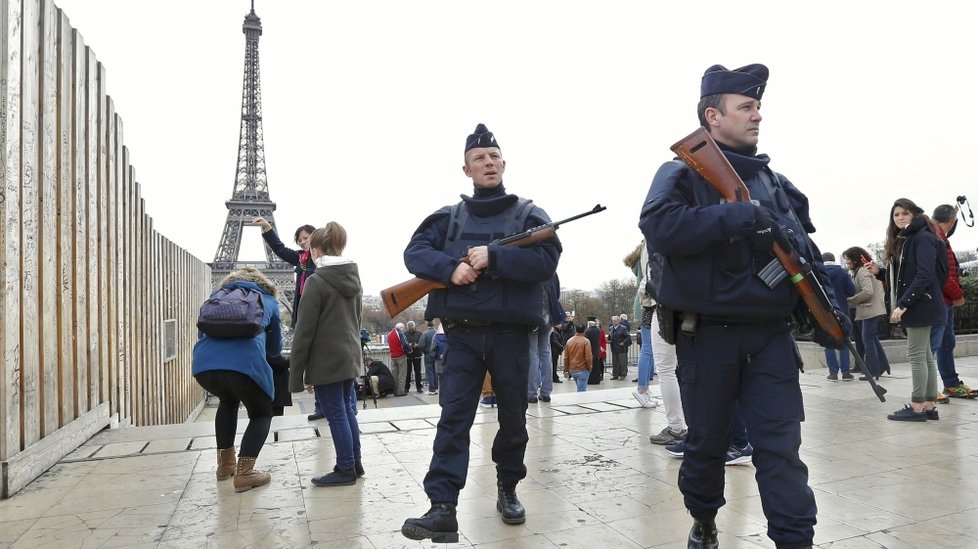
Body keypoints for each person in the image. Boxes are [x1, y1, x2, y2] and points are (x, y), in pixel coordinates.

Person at [641, 63, 846, 548]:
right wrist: (734, 216)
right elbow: (660, 225)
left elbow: (806, 255)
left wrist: (829, 310)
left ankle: (795, 539)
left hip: (770, 338)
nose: (757, 115)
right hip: (706, 336)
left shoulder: (775, 182)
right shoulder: (680, 173)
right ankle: (705, 520)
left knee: (781, 452)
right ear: (712, 116)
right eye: (746, 106)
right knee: (707, 446)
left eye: (758, 107)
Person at [400, 123, 561, 543]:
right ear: (466, 170)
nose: (487, 163)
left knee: (513, 418)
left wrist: (496, 257)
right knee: (453, 419)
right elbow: (414, 252)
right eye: (479, 159)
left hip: (511, 336)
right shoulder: (448, 218)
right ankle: (442, 506)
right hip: (463, 335)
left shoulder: (529, 215)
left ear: (503, 163)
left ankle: (507, 488)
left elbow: (546, 260)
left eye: (493, 156)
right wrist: (450, 268)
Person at [191, 266, 282, 492]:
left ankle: (225, 465)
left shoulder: (217, 297)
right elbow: (274, 348)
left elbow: (202, 333)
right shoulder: (268, 300)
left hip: (205, 367)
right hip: (244, 367)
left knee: (227, 401)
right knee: (261, 413)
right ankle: (245, 473)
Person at [288, 222, 364, 486]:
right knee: (347, 411)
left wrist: (297, 375)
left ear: (317, 252)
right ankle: (354, 462)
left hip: (327, 360)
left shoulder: (316, 282)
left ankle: (345, 468)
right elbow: (357, 320)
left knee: (336, 414)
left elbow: (303, 333)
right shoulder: (353, 277)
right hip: (349, 356)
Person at [866, 198, 947, 422]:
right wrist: (880, 272)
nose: (900, 217)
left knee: (917, 355)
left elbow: (924, 275)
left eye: (905, 213)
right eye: (896, 214)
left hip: (921, 305)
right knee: (926, 356)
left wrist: (903, 304)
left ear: (914, 214)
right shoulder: (912, 238)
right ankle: (929, 405)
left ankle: (917, 407)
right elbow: (906, 276)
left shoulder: (920, 238)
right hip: (926, 304)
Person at [252, 216, 326, 421]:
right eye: (299, 239)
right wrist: (267, 229)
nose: (302, 242)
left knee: (319, 361)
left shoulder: (322, 261)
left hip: (318, 317)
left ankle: (327, 405)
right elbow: (280, 250)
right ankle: (321, 405)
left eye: (305, 238)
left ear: (316, 237)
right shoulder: (301, 260)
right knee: (314, 361)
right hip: (305, 316)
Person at [931, 204, 971, 398]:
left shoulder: (938, 235)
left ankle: (951, 384)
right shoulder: (937, 238)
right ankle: (929, 388)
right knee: (932, 345)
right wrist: (957, 295)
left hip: (943, 299)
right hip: (940, 300)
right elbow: (943, 274)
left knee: (946, 342)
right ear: (953, 221)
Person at [842, 247, 891, 381]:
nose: (847, 262)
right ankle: (882, 366)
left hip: (870, 310)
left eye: (848, 259)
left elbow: (868, 292)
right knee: (872, 339)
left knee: (867, 340)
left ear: (855, 258)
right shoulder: (865, 269)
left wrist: (850, 300)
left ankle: (873, 371)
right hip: (873, 309)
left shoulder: (863, 271)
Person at [528, 275, 564, 403]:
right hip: (550, 315)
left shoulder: (528, 266)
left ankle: (531, 392)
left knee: (532, 353)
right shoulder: (550, 269)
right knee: (545, 352)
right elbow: (557, 293)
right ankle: (546, 391)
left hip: (533, 315)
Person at [821, 252, 855, 381]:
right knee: (844, 341)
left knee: (829, 343)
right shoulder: (842, 272)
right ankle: (846, 373)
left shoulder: (818, 272)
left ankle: (833, 373)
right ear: (834, 260)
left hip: (825, 312)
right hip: (842, 311)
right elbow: (851, 290)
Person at [563, 324, 592, 391]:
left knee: (579, 388)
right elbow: (588, 357)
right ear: (584, 330)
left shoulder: (569, 341)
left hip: (572, 368)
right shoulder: (586, 341)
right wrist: (589, 367)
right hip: (583, 368)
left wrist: (566, 369)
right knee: (581, 391)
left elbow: (566, 357)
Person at [387, 323, 411, 396]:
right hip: (400, 356)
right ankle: (400, 392)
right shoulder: (400, 333)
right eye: (403, 328)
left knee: (395, 374)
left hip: (393, 356)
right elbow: (405, 344)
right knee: (402, 374)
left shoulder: (389, 334)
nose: (403, 330)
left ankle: (394, 390)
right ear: (401, 328)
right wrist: (410, 349)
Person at [417, 320, 439, 395]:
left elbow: (421, 345)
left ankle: (431, 389)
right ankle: (436, 388)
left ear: (427, 325)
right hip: (436, 354)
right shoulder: (437, 333)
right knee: (435, 371)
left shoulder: (425, 334)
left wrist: (424, 351)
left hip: (428, 354)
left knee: (429, 372)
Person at [404, 321, 425, 394]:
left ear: (414, 327)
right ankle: (406, 387)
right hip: (408, 356)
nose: (411, 330)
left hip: (417, 356)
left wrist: (418, 345)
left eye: (412, 328)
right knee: (407, 373)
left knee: (418, 372)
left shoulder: (420, 334)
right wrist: (409, 346)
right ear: (408, 328)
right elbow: (403, 344)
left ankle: (419, 387)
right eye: (410, 329)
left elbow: (422, 344)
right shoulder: (404, 334)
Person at [608, 315, 631, 381]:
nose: (613, 322)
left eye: (615, 321)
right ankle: (615, 375)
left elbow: (628, 336)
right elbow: (610, 336)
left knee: (622, 362)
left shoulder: (623, 328)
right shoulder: (611, 328)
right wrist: (609, 340)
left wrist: (623, 342)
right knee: (614, 362)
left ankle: (622, 375)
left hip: (621, 347)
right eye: (613, 321)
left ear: (618, 321)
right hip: (613, 347)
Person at [584, 319, 602, 385]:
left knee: (590, 366)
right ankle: (597, 379)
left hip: (590, 350)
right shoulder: (598, 330)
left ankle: (591, 380)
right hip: (596, 350)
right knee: (597, 366)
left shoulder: (587, 331)